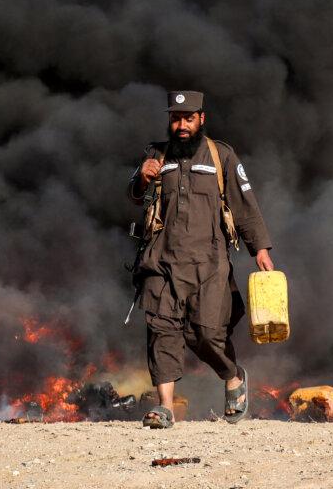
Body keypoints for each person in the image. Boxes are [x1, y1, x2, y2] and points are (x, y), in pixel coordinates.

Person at [127, 90, 274, 428]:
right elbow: (135, 195)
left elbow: (244, 205)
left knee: (206, 334)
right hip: (161, 261)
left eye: (188, 118)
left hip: (210, 263)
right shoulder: (155, 154)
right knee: (161, 330)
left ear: (201, 119)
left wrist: (260, 250)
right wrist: (142, 177)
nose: (181, 125)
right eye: (176, 118)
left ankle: (233, 375)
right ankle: (164, 408)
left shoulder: (221, 156)